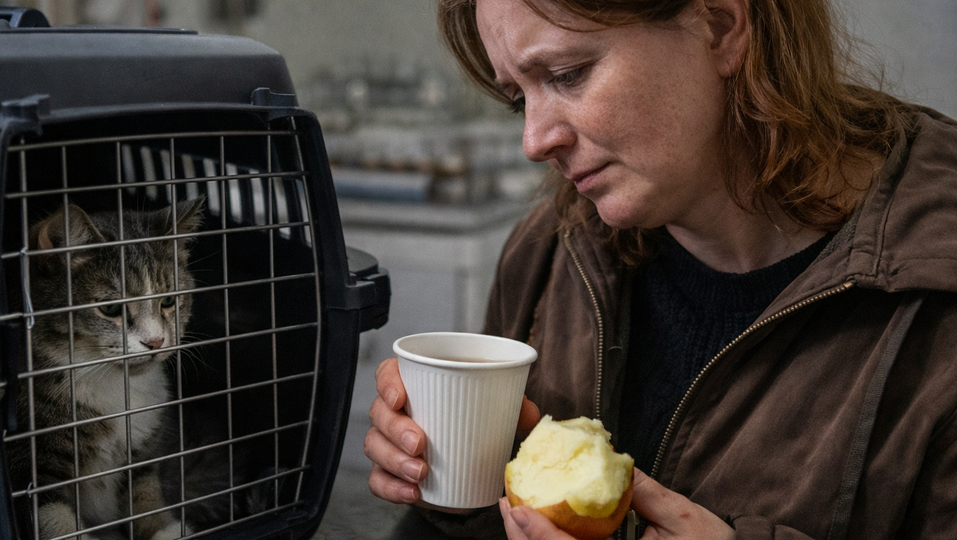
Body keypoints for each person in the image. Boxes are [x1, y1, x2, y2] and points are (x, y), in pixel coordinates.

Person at [365, 0, 957, 538]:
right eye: (521, 97)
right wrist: (450, 486)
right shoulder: (549, 251)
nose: (533, 140)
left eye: (568, 74)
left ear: (721, 26)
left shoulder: (933, 294)